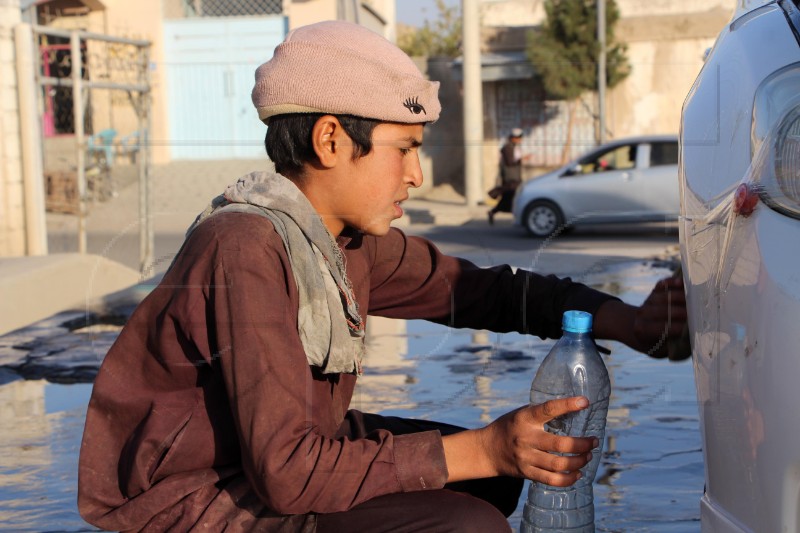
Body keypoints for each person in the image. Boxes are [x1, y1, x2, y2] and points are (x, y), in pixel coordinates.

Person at [77, 21, 688, 532]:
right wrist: (485, 445)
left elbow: (485, 291)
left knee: (491, 481)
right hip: (196, 499)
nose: (417, 174)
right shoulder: (244, 247)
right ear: (330, 140)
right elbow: (288, 473)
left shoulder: (344, 243)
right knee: (470, 520)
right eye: (405, 149)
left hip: (271, 461)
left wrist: (628, 322)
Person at [488, 128, 526, 225]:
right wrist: (521, 159)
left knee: (509, 198)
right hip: (510, 178)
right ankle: (494, 211)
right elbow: (510, 162)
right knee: (511, 196)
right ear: (514, 138)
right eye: (519, 138)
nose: (520, 140)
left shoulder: (514, 147)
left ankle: (493, 212)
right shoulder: (507, 147)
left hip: (515, 177)